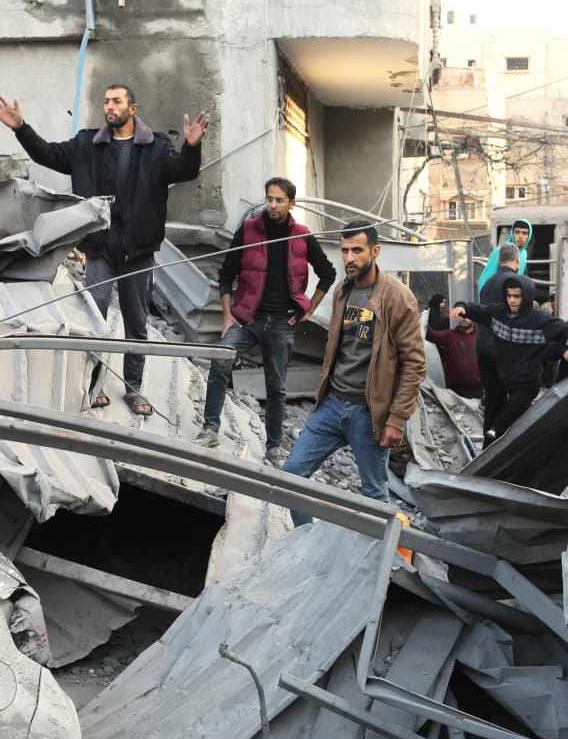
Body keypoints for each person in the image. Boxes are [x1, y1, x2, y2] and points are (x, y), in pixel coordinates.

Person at [0, 85, 210, 416]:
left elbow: (184, 172)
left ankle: (134, 388)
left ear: (132, 108)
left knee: (136, 323)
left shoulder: (157, 146)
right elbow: (47, 153)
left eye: (116, 101)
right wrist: (21, 128)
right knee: (94, 316)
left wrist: (191, 147)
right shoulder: (86, 144)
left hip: (138, 251)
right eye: (106, 101)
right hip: (100, 249)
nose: (109, 106)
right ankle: (92, 385)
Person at [281, 222, 425, 520]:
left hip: (368, 412)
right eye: (344, 250)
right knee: (291, 475)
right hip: (332, 405)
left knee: (373, 494)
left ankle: (374, 560)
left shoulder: (399, 298)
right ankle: (307, 544)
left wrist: (396, 419)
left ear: (375, 251)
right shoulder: (341, 291)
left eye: (357, 250)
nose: (349, 258)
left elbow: (414, 364)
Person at [199, 178, 337, 461]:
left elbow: (328, 273)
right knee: (220, 363)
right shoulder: (248, 231)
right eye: (269, 199)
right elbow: (226, 274)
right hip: (246, 319)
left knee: (276, 387)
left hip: (280, 323)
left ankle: (273, 446)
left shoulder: (301, 235)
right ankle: (210, 429)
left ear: (291, 203)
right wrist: (227, 315)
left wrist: (309, 308)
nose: (272, 205)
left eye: (278, 200)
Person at [451, 275, 568, 446]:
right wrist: (461, 307)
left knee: (511, 412)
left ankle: (497, 433)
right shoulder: (497, 313)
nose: (512, 300)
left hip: (527, 382)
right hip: (504, 376)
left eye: (517, 296)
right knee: (493, 405)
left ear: (526, 297)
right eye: (509, 296)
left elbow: (566, 328)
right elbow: (477, 309)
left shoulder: (539, 320)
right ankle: (488, 447)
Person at [476, 243, 521, 437]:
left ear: (499, 260)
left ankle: (488, 444)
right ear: (517, 261)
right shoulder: (515, 283)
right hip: (503, 350)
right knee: (508, 402)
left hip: (483, 347)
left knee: (492, 400)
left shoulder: (488, 283)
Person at [426, 295, 482, 399]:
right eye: (461, 315)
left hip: (477, 391)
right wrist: (421, 317)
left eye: (467, 315)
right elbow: (430, 335)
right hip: (455, 392)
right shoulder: (450, 335)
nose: (464, 318)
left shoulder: (481, 336)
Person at [476, 219, 532, 292]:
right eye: (517, 232)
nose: (520, 236)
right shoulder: (500, 251)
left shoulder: (524, 253)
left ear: (529, 236)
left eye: (524, 233)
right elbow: (484, 281)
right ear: (512, 233)